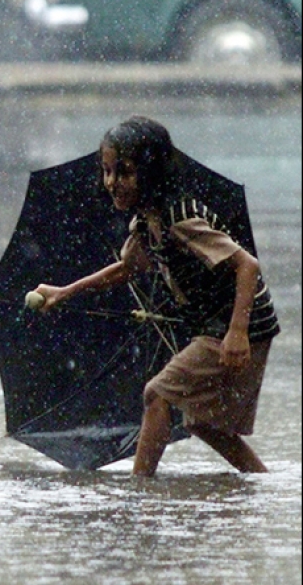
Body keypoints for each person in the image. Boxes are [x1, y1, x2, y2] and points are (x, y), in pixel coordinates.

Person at [34, 116, 279, 477]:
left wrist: (237, 333)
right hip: (217, 324)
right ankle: (261, 483)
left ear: (150, 174)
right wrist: (66, 292)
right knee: (203, 424)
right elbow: (125, 269)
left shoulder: (179, 218)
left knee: (157, 394)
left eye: (125, 172)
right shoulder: (146, 224)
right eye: (107, 171)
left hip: (240, 325)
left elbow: (247, 265)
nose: (112, 183)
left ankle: (141, 489)